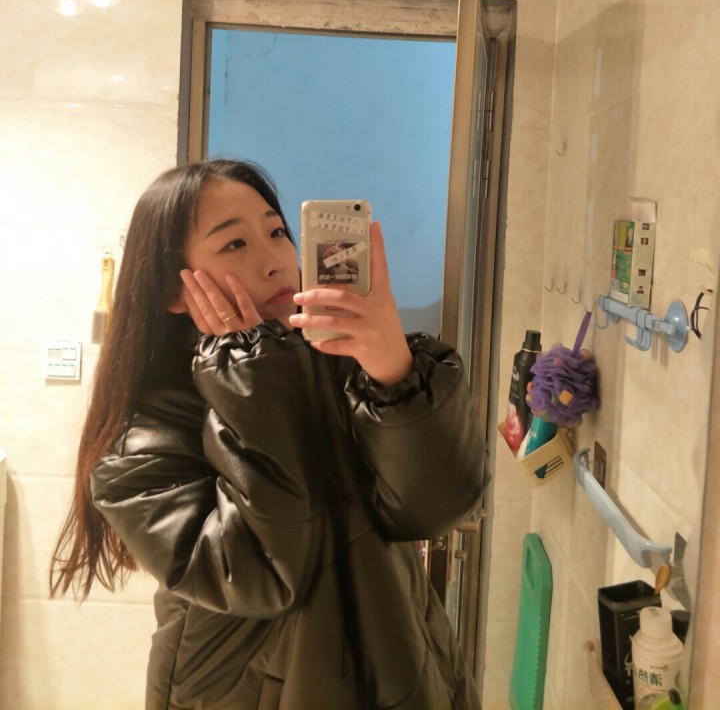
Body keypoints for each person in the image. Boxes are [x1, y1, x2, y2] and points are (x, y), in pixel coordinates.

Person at [50, 159, 486, 710]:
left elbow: (436, 510)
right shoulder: (139, 442)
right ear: (172, 290)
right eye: (234, 244)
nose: (277, 260)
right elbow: (262, 575)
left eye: (277, 232)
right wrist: (249, 378)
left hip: (407, 674)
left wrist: (395, 374)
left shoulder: (348, 372)